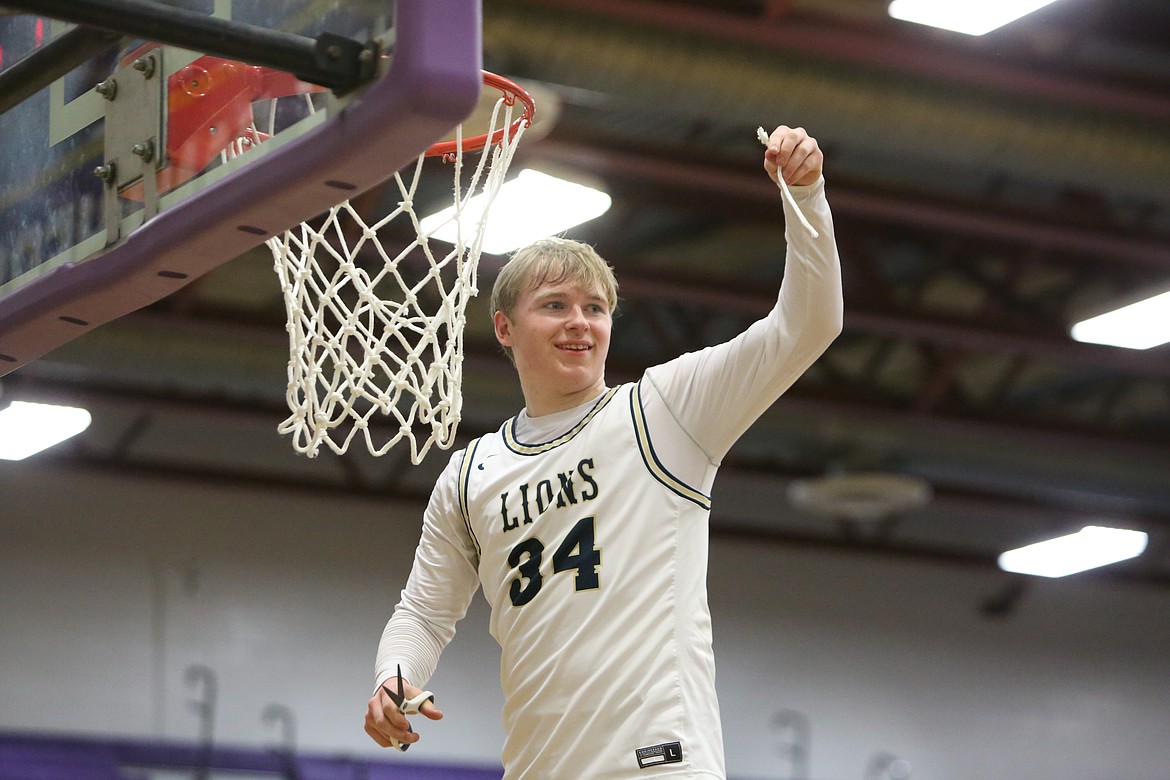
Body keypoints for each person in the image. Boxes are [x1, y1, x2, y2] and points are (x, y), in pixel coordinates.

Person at [365, 124, 843, 778]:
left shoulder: (664, 412)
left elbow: (807, 326)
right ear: (505, 328)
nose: (579, 323)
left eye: (595, 308)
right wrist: (394, 678)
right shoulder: (469, 476)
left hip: (659, 764)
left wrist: (806, 195)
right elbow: (424, 613)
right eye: (555, 305)